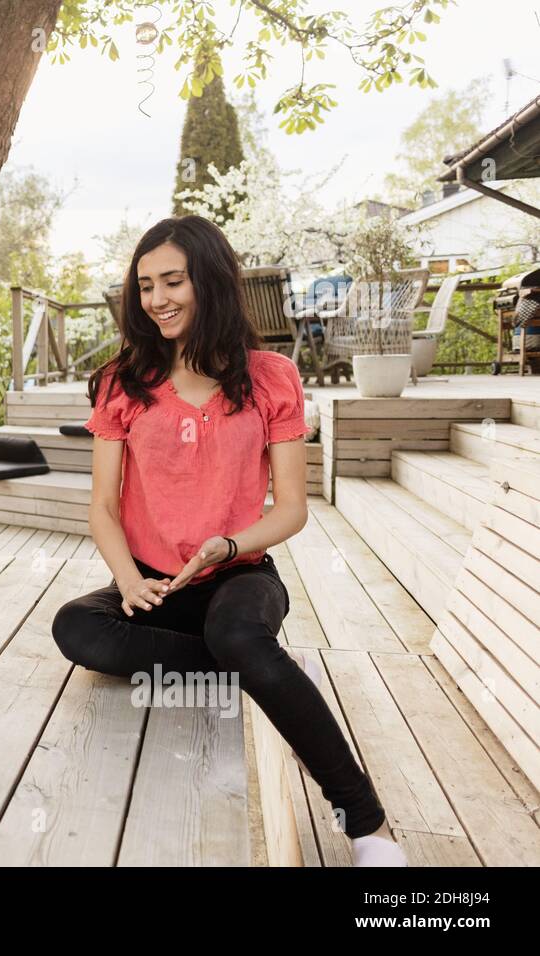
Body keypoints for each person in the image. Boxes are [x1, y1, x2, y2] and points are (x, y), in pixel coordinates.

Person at [50, 215, 405, 866]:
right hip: (155, 583)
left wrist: (230, 544)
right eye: (146, 284)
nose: (156, 298)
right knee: (77, 628)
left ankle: (368, 822)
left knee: (239, 632)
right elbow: (101, 505)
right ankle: (248, 668)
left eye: (173, 281)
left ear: (209, 280)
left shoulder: (271, 377)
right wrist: (128, 580)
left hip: (239, 574)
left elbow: (292, 509)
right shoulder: (120, 382)